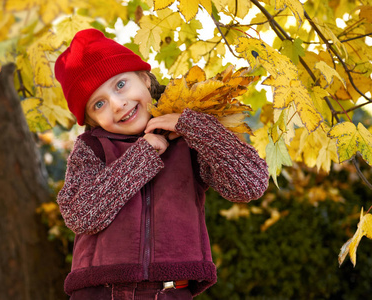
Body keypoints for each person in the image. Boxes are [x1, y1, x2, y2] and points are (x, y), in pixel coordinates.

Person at [54, 28, 269, 300]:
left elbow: (249, 185)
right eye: (99, 104)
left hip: (171, 291)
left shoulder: (189, 139)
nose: (118, 104)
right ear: (93, 121)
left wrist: (194, 127)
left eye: (120, 85)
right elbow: (79, 214)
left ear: (144, 78)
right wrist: (141, 157)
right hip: (100, 292)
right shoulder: (92, 148)